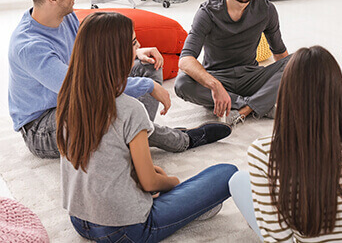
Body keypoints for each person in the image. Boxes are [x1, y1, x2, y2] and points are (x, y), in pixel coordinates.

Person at [8, 0, 230, 159]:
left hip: (78, 97)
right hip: (44, 126)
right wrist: (148, 86)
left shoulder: (66, 18)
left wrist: (133, 50)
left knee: (148, 66)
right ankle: (180, 140)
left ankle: (135, 137)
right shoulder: (29, 46)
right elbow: (86, 87)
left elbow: (92, 58)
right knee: (115, 111)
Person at [57, 12, 238, 242]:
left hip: (79, 220)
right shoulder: (129, 109)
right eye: (134, 42)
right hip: (125, 229)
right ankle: (191, 208)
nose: (139, 46)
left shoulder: (68, 99)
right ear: (117, 54)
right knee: (226, 172)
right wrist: (171, 182)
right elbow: (149, 182)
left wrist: (149, 177)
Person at [229, 46, 342, 242]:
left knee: (237, 180)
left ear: (285, 95)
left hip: (298, 219)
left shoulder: (262, 152)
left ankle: (269, 208)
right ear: (339, 95)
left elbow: (280, 239)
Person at [174, 0, 290, 126]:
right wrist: (215, 86)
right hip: (217, 77)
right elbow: (185, 60)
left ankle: (245, 109)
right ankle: (258, 104)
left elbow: (280, 53)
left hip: (251, 77)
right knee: (182, 83)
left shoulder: (266, 9)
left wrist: (292, 80)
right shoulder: (207, 12)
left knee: (300, 60)